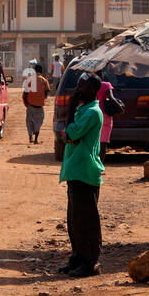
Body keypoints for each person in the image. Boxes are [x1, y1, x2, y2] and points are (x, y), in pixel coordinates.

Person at [59, 73, 105, 278]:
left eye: (82, 87)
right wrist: (70, 133)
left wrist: (69, 112)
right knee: (74, 220)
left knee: (87, 221)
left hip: (85, 171)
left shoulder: (93, 113)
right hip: (75, 170)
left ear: (93, 90)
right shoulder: (83, 111)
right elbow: (68, 135)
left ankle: (91, 263)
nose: (78, 90)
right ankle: (77, 259)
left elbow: (71, 134)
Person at [23, 62, 51, 145]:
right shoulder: (44, 80)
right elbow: (47, 91)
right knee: (38, 122)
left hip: (30, 104)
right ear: (41, 71)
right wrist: (43, 98)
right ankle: (36, 140)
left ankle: (30, 136)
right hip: (39, 105)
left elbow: (25, 93)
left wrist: (26, 102)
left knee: (29, 121)